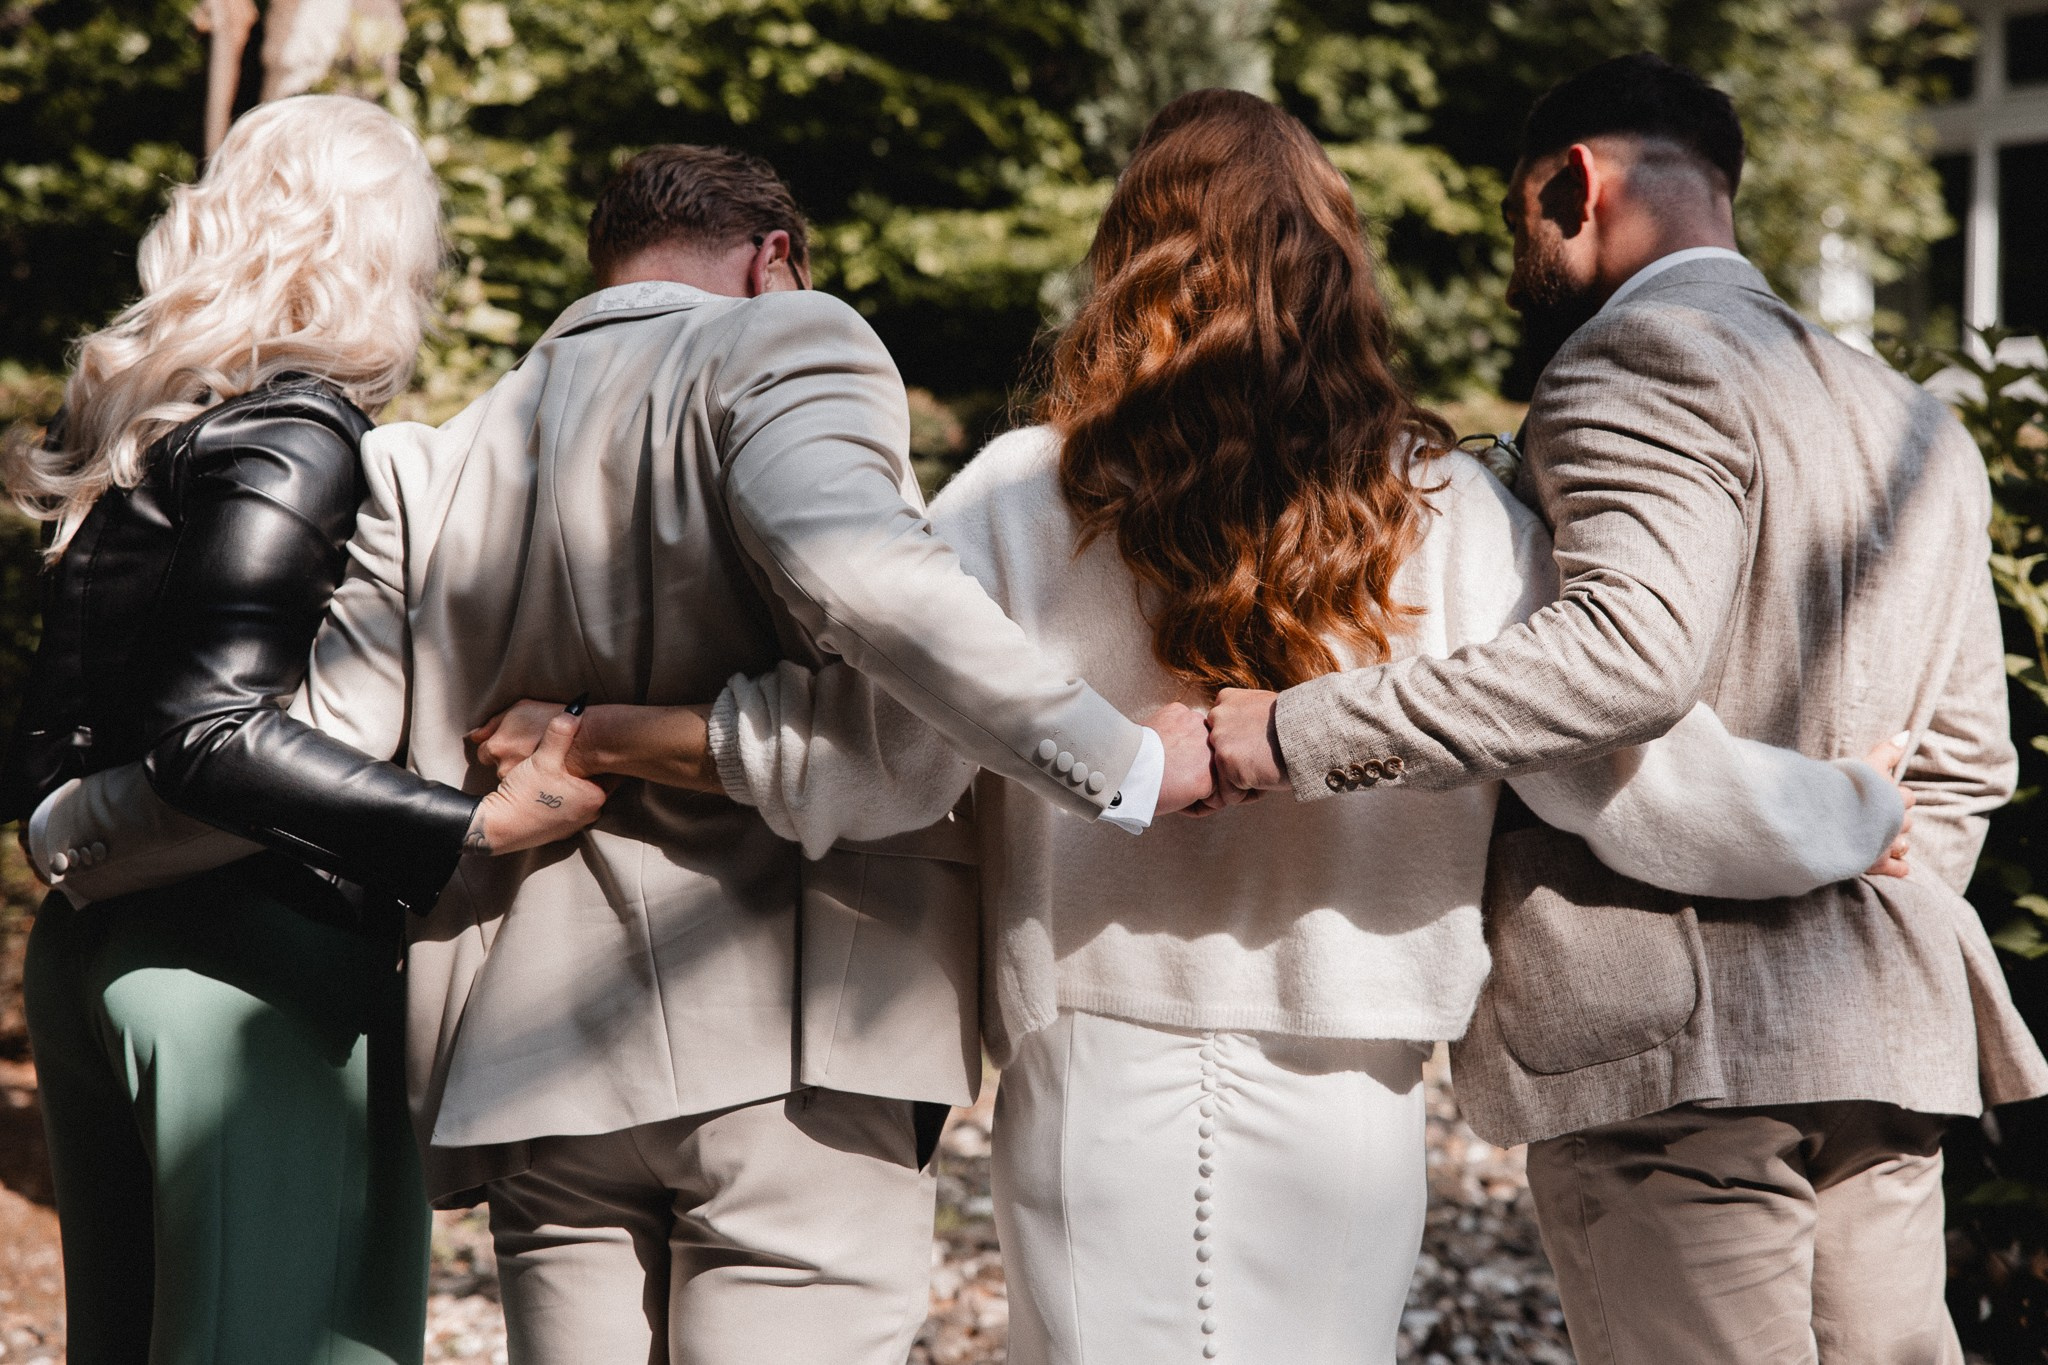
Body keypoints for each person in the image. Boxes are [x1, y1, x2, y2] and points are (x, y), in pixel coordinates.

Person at [474, 89, 1914, 1365]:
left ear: (1126, 265)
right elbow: (1616, 766)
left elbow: (871, 759)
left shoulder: (1017, 495)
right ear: (1339, 271)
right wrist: (1846, 814)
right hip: (1349, 1079)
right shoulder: (1449, 507)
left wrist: (613, 733)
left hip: (1091, 1060)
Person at [33, 142, 1216, 1364]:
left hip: (535, 1064)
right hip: (793, 1047)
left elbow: (311, 748)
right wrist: (1119, 763)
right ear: (776, 262)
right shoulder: (788, 339)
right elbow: (873, 589)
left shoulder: (425, 462)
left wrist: (74, 826)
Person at [1204, 54, 2048, 1363]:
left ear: (1572, 185)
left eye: (1515, 231)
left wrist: (1290, 731)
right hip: (1883, 1036)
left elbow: (1624, 660)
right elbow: (1969, 758)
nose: (1515, 274)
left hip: (1674, 1052)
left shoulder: (1632, 366)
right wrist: (1864, 887)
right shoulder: (1913, 421)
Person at [0, 97, 606, 1365]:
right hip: (250, 973)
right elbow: (208, 732)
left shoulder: (129, 433)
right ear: (378, 254)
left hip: (94, 953)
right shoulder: (297, 431)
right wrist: (471, 826)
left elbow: (55, 743)